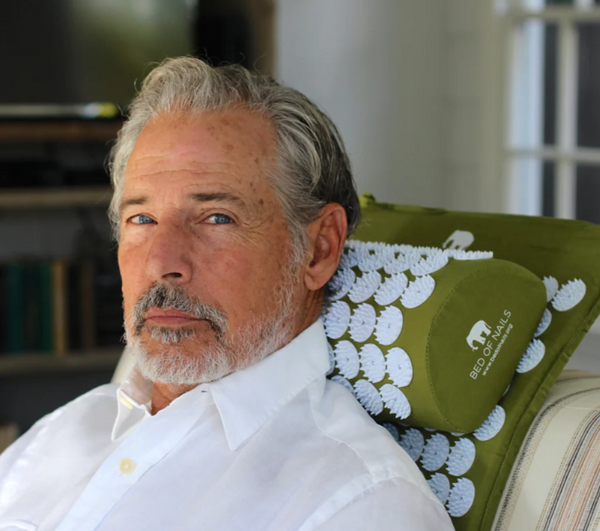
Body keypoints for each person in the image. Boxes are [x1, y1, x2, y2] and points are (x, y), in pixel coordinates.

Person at [0, 57, 453, 530]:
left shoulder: (357, 503)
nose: (162, 263)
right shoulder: (61, 435)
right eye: (142, 219)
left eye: (216, 218)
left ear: (319, 250)